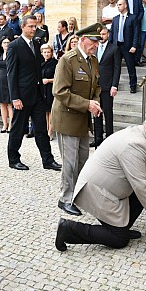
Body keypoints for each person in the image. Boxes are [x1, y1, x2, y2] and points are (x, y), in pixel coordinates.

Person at [54, 113, 146, 251]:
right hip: (97, 191)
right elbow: (140, 184)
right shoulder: (135, 144)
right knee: (119, 239)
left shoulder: (140, 135)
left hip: (108, 186)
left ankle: (122, 227)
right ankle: (68, 229)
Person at [52, 24, 101, 216]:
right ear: (82, 39)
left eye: (98, 41)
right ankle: (65, 198)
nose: (96, 45)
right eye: (93, 41)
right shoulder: (67, 60)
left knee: (82, 160)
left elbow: (96, 87)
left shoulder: (93, 60)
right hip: (67, 118)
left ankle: (79, 194)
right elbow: (60, 92)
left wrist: (95, 103)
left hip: (82, 118)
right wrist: (87, 104)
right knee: (70, 163)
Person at [6, 15, 61, 171]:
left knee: (41, 129)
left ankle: (48, 160)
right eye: (30, 26)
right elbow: (11, 74)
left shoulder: (37, 45)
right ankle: (13, 159)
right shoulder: (14, 46)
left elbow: (38, 69)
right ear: (22, 27)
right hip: (21, 96)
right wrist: (15, 97)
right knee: (18, 128)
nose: (33, 29)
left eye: (35, 26)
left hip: (37, 94)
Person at [92, 26, 121, 148]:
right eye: (100, 35)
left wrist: (114, 85)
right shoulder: (94, 48)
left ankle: (109, 137)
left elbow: (117, 68)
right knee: (96, 112)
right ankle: (97, 137)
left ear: (108, 34)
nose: (101, 37)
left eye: (103, 34)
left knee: (108, 113)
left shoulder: (114, 48)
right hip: (95, 86)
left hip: (107, 85)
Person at [110, 0, 139, 93]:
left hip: (127, 46)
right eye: (118, 5)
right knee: (116, 66)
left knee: (130, 66)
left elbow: (136, 33)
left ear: (125, 5)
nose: (118, 6)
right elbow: (112, 33)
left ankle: (133, 86)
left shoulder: (133, 18)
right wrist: (110, 45)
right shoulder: (115, 19)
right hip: (116, 46)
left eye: (120, 4)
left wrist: (134, 45)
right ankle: (114, 84)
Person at [0, 37, 12, 133]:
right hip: (0, 79)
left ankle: (11, 125)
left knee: (9, 103)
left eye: (8, 42)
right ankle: (5, 124)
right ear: (1, 44)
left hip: (9, 79)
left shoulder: (13, 54)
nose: (6, 44)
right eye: (4, 42)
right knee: (2, 103)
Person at [40, 44, 58, 140]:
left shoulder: (55, 63)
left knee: (51, 110)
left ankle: (50, 131)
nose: (46, 54)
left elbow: (59, 78)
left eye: (48, 52)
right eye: (44, 52)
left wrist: (48, 80)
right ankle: (47, 129)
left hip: (51, 88)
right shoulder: (41, 63)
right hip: (43, 89)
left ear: (52, 52)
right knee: (46, 111)